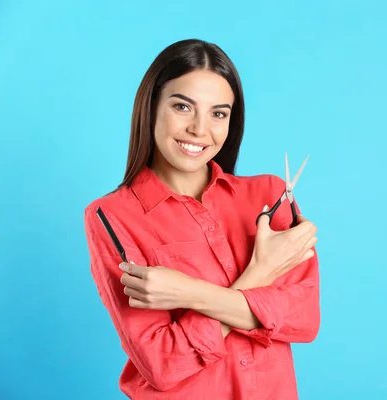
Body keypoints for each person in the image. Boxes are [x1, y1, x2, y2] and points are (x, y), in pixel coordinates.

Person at [83, 39, 320, 400]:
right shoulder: (112, 216)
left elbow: (303, 321)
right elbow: (162, 364)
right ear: (151, 107)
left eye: (218, 113)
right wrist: (261, 274)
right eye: (182, 106)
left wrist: (187, 292)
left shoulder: (270, 196)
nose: (199, 129)